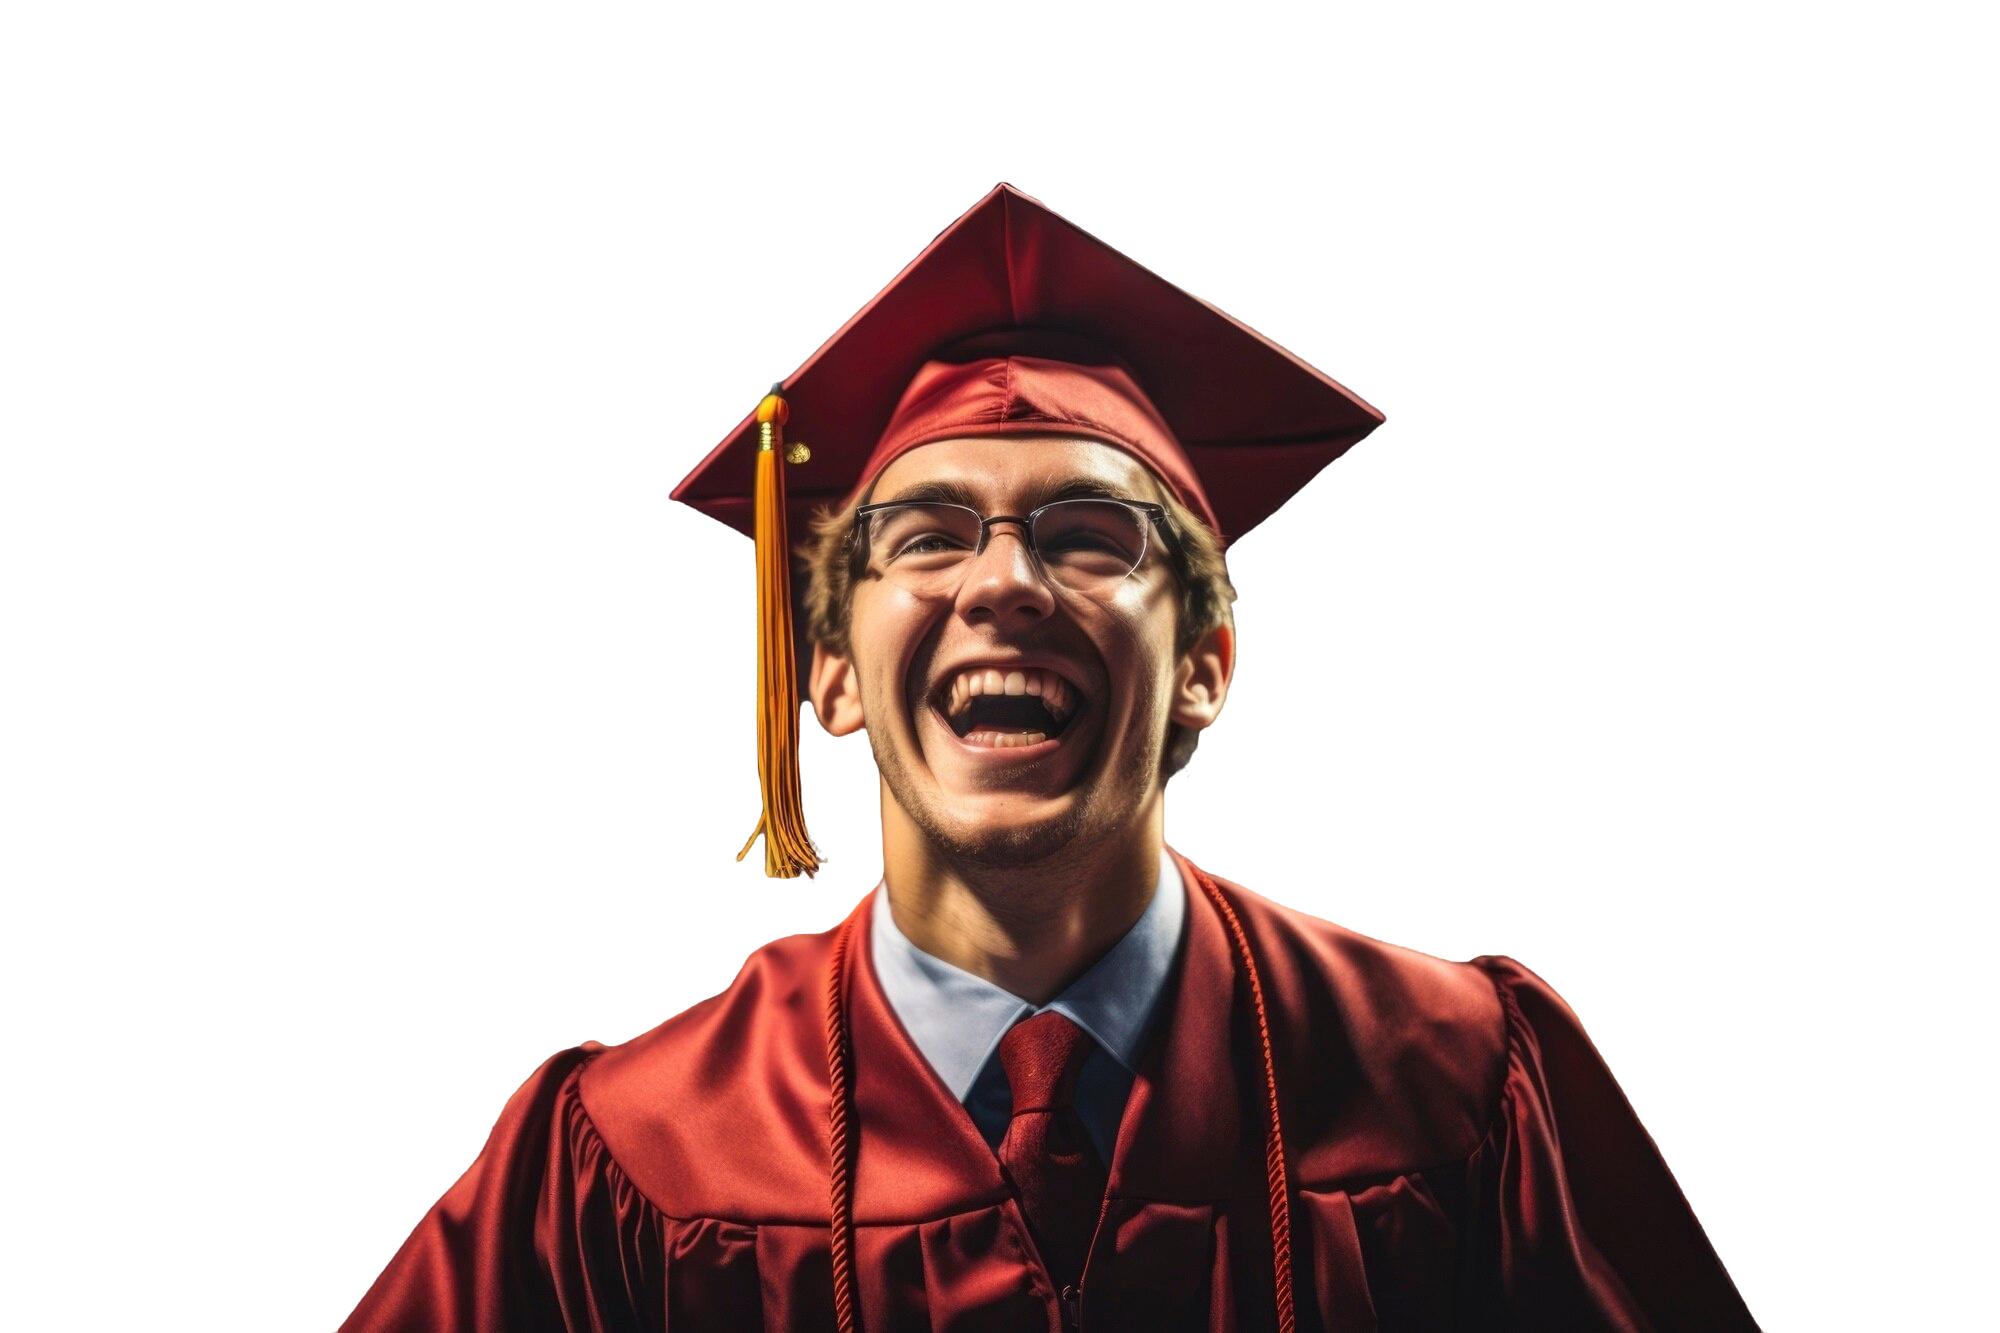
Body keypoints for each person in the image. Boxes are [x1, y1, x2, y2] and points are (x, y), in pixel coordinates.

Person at [320, 168, 1776, 1331]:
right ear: (826, 679)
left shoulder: (1465, 1081)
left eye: (1091, 536)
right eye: (928, 534)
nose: (1005, 582)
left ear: (1209, 669)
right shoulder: (630, 1147)